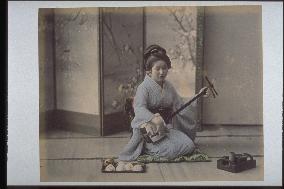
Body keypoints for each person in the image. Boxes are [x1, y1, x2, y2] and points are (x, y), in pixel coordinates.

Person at [118, 44, 208, 161]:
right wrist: (152, 118)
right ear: (149, 71)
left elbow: (179, 104)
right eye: (157, 69)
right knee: (170, 151)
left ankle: (161, 146)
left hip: (165, 129)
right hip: (149, 132)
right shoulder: (144, 88)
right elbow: (139, 108)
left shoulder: (168, 86)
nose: (162, 72)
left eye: (164, 68)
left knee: (189, 145)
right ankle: (145, 146)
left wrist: (198, 96)